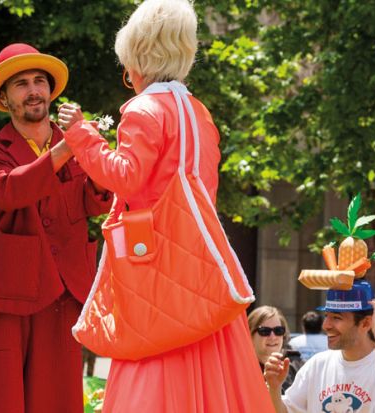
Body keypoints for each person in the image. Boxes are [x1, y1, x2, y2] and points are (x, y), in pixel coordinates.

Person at [58, 0, 275, 411]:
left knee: (151, 365)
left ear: (135, 62)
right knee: (216, 373)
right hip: (199, 261)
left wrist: (80, 134)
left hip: (151, 262)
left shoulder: (144, 110)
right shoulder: (199, 114)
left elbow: (125, 177)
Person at [0, 43, 112, 413]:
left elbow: (97, 200)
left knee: (56, 400)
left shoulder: (75, 141)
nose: (34, 90)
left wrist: (93, 149)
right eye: (21, 84)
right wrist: (68, 148)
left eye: (39, 81)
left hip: (63, 292)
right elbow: (8, 192)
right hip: (7, 293)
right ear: (5, 98)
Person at [264, 281, 375, 412]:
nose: (326, 325)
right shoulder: (317, 365)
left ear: (366, 323)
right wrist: (275, 388)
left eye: (336, 318)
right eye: (326, 316)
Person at [248, 305, 304, 393]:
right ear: (250, 335)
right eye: (264, 331)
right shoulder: (240, 369)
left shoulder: (298, 366)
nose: (273, 337)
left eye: (278, 330)